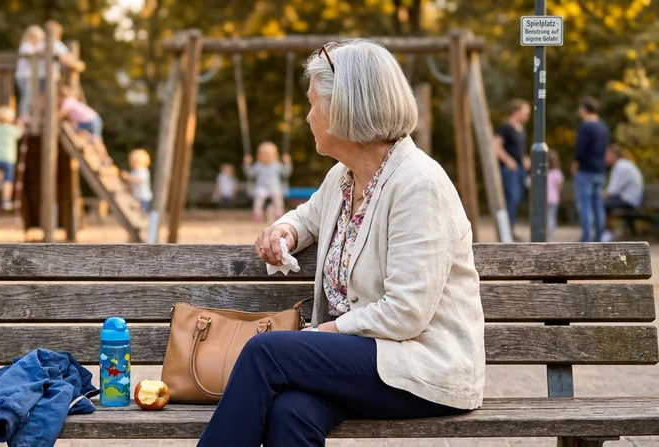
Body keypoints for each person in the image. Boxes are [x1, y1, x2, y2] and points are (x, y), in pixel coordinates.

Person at [197, 40, 485, 447]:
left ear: (344, 109)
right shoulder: (345, 178)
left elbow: (406, 312)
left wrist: (326, 332)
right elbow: (306, 217)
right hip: (365, 361)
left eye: (314, 104)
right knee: (290, 412)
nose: (308, 116)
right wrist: (284, 232)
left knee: (266, 353)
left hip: (423, 366)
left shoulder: (418, 184)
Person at [572, 96, 609, 242]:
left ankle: (586, 238)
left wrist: (575, 165)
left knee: (585, 205)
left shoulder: (585, 127)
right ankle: (599, 237)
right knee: (598, 205)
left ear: (585, 109)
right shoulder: (603, 127)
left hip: (585, 170)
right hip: (600, 170)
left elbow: (580, 150)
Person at [493, 99, 530, 240]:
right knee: (510, 200)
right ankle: (506, 234)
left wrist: (525, 159)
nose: (527, 115)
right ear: (516, 112)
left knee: (516, 200)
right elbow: (495, 145)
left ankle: (510, 231)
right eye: (525, 112)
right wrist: (508, 160)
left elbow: (519, 151)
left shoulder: (521, 130)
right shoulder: (506, 128)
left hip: (520, 171)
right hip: (509, 171)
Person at [58, 86, 111, 166]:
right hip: (95, 119)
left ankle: (88, 142)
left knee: (72, 128)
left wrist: (53, 118)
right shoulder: (74, 101)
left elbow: (63, 112)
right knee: (97, 140)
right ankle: (104, 159)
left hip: (89, 121)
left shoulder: (68, 101)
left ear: (62, 96)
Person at [602, 143, 644, 241]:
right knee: (603, 203)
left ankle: (609, 233)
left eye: (607, 155)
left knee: (600, 204)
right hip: (631, 199)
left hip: (629, 200)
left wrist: (599, 195)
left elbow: (612, 191)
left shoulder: (620, 167)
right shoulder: (624, 164)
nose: (605, 158)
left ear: (614, 156)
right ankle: (608, 232)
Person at [243, 142, 292, 222]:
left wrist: (287, 163)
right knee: (259, 197)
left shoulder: (277, 165)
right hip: (261, 187)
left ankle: (279, 213)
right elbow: (250, 174)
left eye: (269, 154)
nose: (267, 156)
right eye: (264, 154)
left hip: (275, 187)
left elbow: (286, 173)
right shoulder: (258, 165)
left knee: (277, 198)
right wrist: (246, 164)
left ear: (275, 155)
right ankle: (257, 213)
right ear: (259, 156)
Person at [0, 105, 24, 210]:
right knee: (8, 181)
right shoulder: (12, 129)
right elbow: (20, 134)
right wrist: (20, 124)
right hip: (8, 158)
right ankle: (6, 200)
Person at [14, 25, 45, 121]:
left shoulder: (33, 46)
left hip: (29, 76)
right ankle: (22, 114)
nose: (39, 41)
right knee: (26, 94)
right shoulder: (25, 45)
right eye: (38, 39)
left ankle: (27, 114)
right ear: (31, 37)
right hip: (24, 76)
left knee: (30, 95)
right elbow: (31, 53)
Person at [546, 151, 564, 242]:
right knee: (551, 217)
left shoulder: (544, 173)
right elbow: (559, 187)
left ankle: (544, 234)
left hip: (544, 199)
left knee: (544, 217)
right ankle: (550, 236)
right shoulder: (557, 173)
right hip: (553, 198)